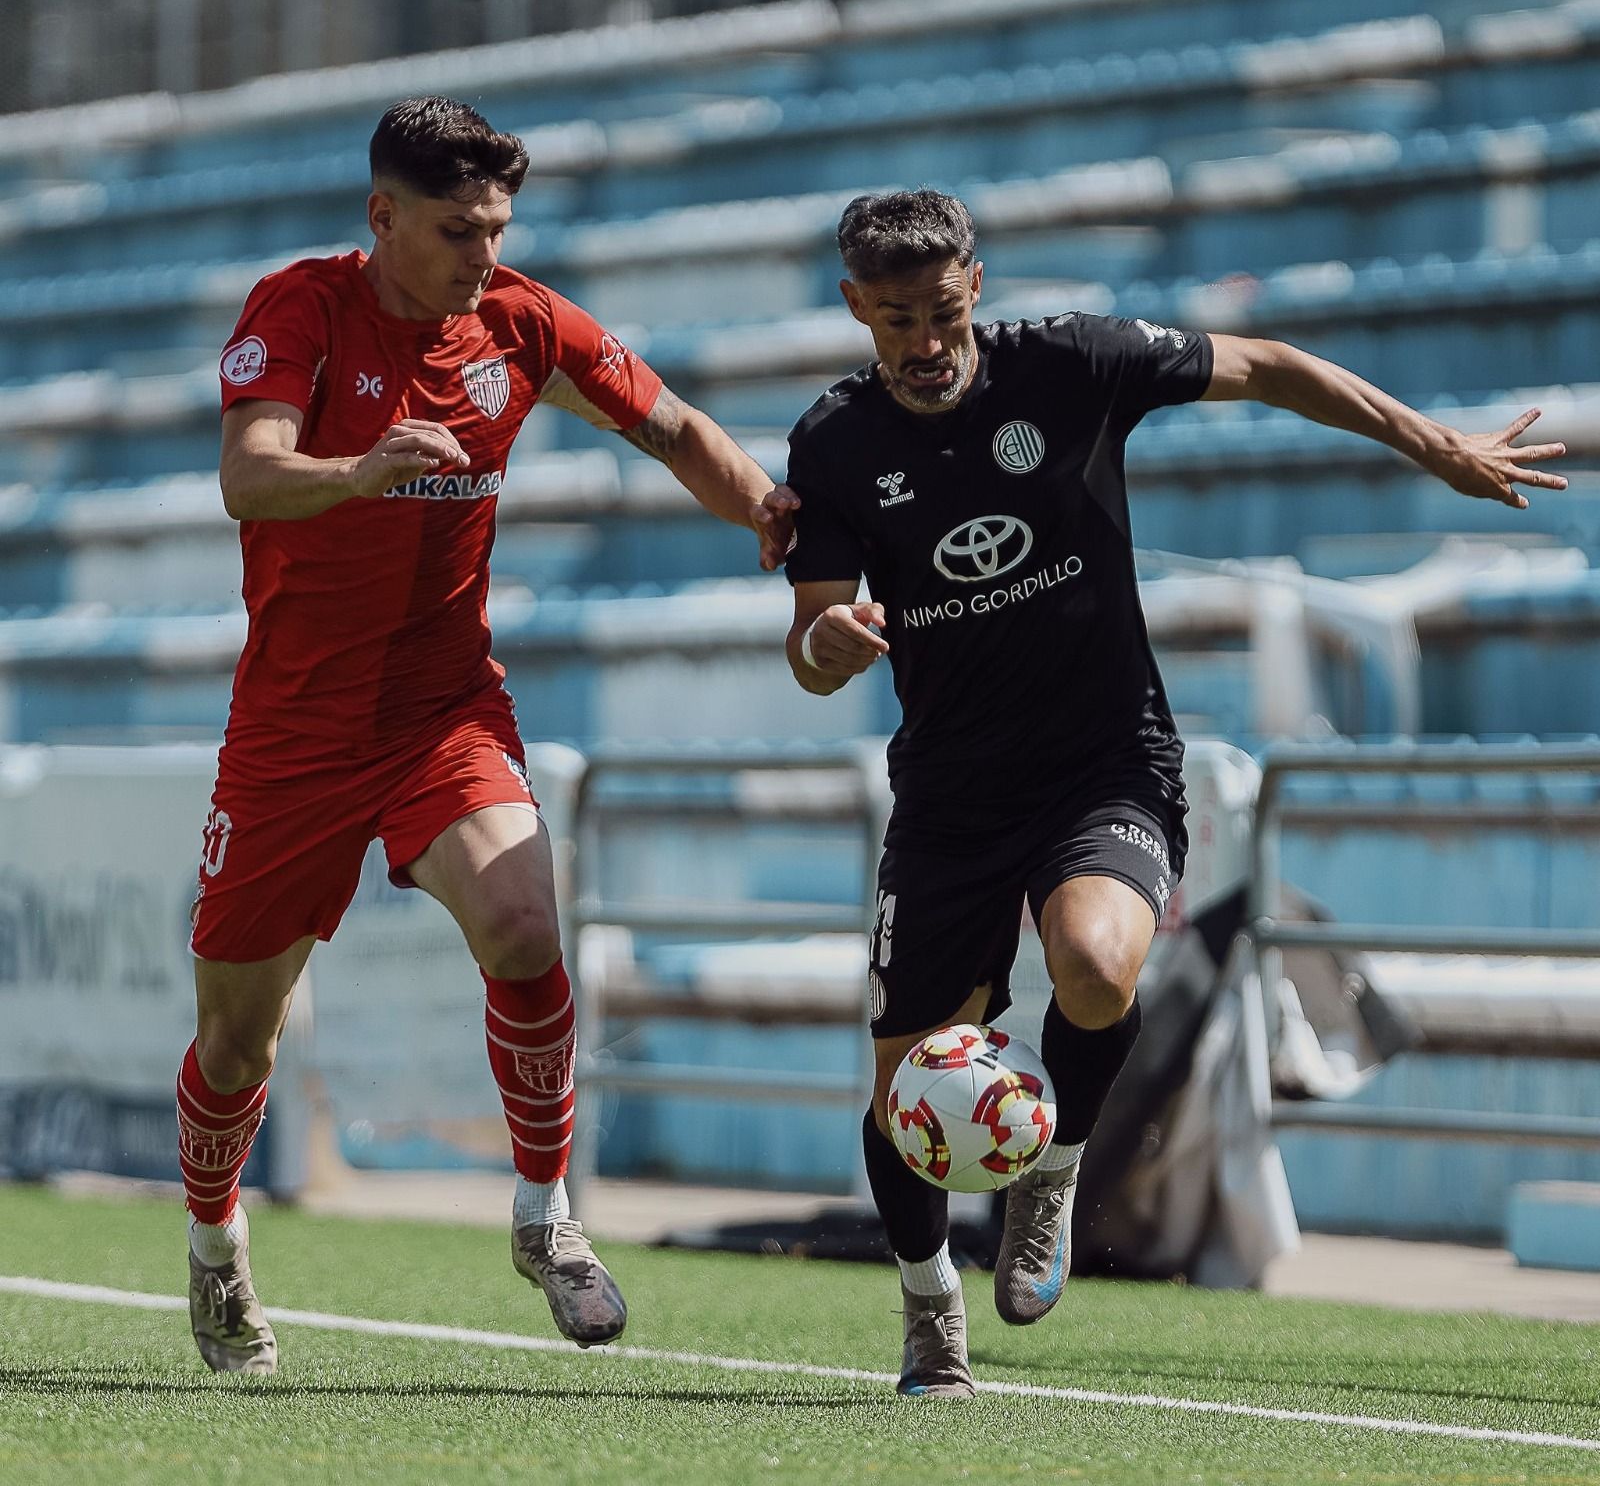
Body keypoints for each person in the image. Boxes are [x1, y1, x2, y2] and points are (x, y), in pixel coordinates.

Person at [781, 188, 1567, 1396]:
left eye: (941, 312)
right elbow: (812, 638)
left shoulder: (1073, 363)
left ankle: (1055, 1171)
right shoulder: (832, 444)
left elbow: (1263, 363)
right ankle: (929, 1301)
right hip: (949, 797)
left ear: (975, 287)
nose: (925, 344)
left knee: (1096, 967)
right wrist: (831, 643)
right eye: (895, 322)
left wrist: (1434, 446)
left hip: (1110, 764)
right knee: (906, 1092)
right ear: (855, 310)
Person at [179, 96, 797, 1374]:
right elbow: (248, 473)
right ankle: (214, 1240)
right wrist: (353, 474)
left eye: (498, 227)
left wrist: (776, 525)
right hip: (292, 730)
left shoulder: (520, 320)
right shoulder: (297, 309)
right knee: (239, 1040)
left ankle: (544, 1217)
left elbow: (668, 424)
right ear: (383, 216)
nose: (482, 253)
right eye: (459, 230)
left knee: (523, 921)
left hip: (441, 709)